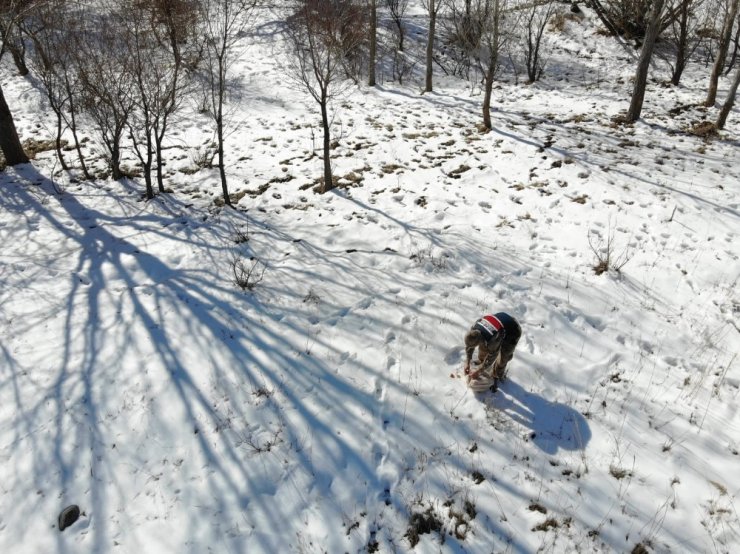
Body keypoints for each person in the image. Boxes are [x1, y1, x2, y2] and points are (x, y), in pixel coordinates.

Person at [464, 312, 521, 392]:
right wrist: (468, 360)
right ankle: (482, 362)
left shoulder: (492, 339)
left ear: (480, 340)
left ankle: (497, 375)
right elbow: (469, 346)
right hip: (500, 324)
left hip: (513, 330)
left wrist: (479, 371)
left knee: (504, 357)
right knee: (484, 349)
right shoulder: (474, 328)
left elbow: (492, 356)